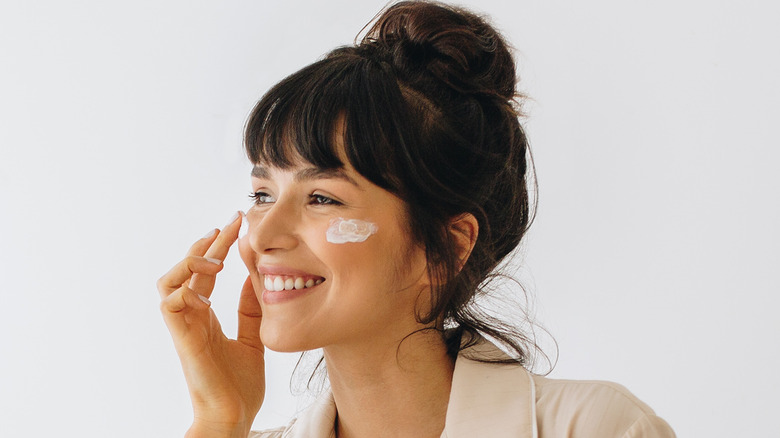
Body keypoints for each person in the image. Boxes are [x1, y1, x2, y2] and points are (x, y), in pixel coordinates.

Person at [157, 1, 677, 437]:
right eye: (263, 193)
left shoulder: (595, 429)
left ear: (447, 248)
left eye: (323, 198)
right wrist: (218, 418)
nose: (262, 236)